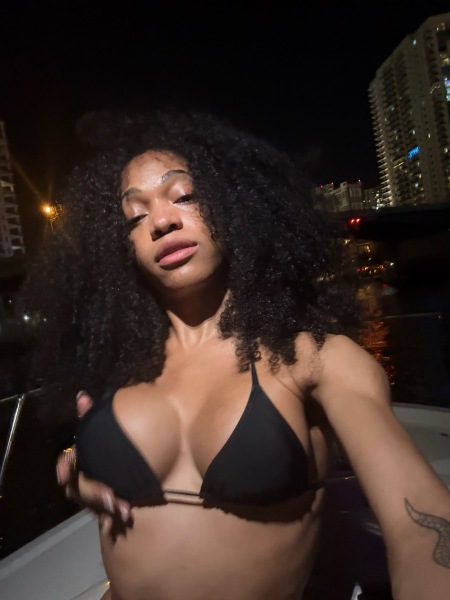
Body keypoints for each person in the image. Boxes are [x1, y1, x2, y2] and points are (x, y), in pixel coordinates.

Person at [21, 106, 450, 600]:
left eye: (185, 195)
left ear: (236, 206)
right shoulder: (123, 365)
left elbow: (422, 525)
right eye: (135, 216)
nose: (161, 220)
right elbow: (80, 461)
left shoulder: (314, 358)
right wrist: (76, 463)